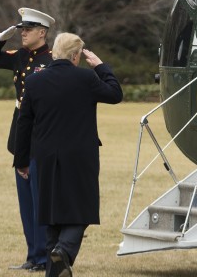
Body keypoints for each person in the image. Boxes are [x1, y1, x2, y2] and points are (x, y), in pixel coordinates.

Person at [13, 33, 123, 277]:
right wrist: (100, 67)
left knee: (52, 215)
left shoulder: (34, 81)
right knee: (81, 209)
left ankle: (54, 271)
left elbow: (24, 123)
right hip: (80, 155)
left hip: (45, 155)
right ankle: (63, 250)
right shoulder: (86, 78)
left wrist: (21, 160)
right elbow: (115, 94)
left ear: (54, 52)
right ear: (75, 56)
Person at [0, 7, 55, 272]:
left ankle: (44, 257)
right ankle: (33, 255)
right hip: (21, 133)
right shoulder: (21, 56)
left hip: (41, 131)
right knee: (26, 201)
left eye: (28, 29)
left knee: (39, 198)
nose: (22, 33)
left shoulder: (52, 60)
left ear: (42, 32)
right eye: (21, 29)